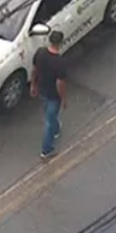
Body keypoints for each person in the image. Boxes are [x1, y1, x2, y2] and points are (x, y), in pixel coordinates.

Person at [31, 30, 68, 159]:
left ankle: (56, 130)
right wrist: (63, 98)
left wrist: (33, 85)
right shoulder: (60, 62)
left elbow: (34, 70)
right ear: (60, 43)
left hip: (42, 89)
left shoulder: (40, 52)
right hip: (54, 95)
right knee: (49, 121)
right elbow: (60, 83)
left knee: (49, 112)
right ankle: (46, 150)